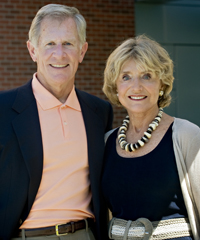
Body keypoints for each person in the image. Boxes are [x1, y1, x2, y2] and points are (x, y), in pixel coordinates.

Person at [0, 4, 113, 240]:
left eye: (68, 44)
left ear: (82, 51)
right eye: (50, 43)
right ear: (33, 51)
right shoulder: (3, 109)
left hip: (85, 235)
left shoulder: (99, 112)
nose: (59, 54)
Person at [102, 35, 200, 240]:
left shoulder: (186, 136)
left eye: (147, 76)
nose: (136, 86)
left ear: (162, 84)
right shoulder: (106, 142)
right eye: (126, 77)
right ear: (116, 86)